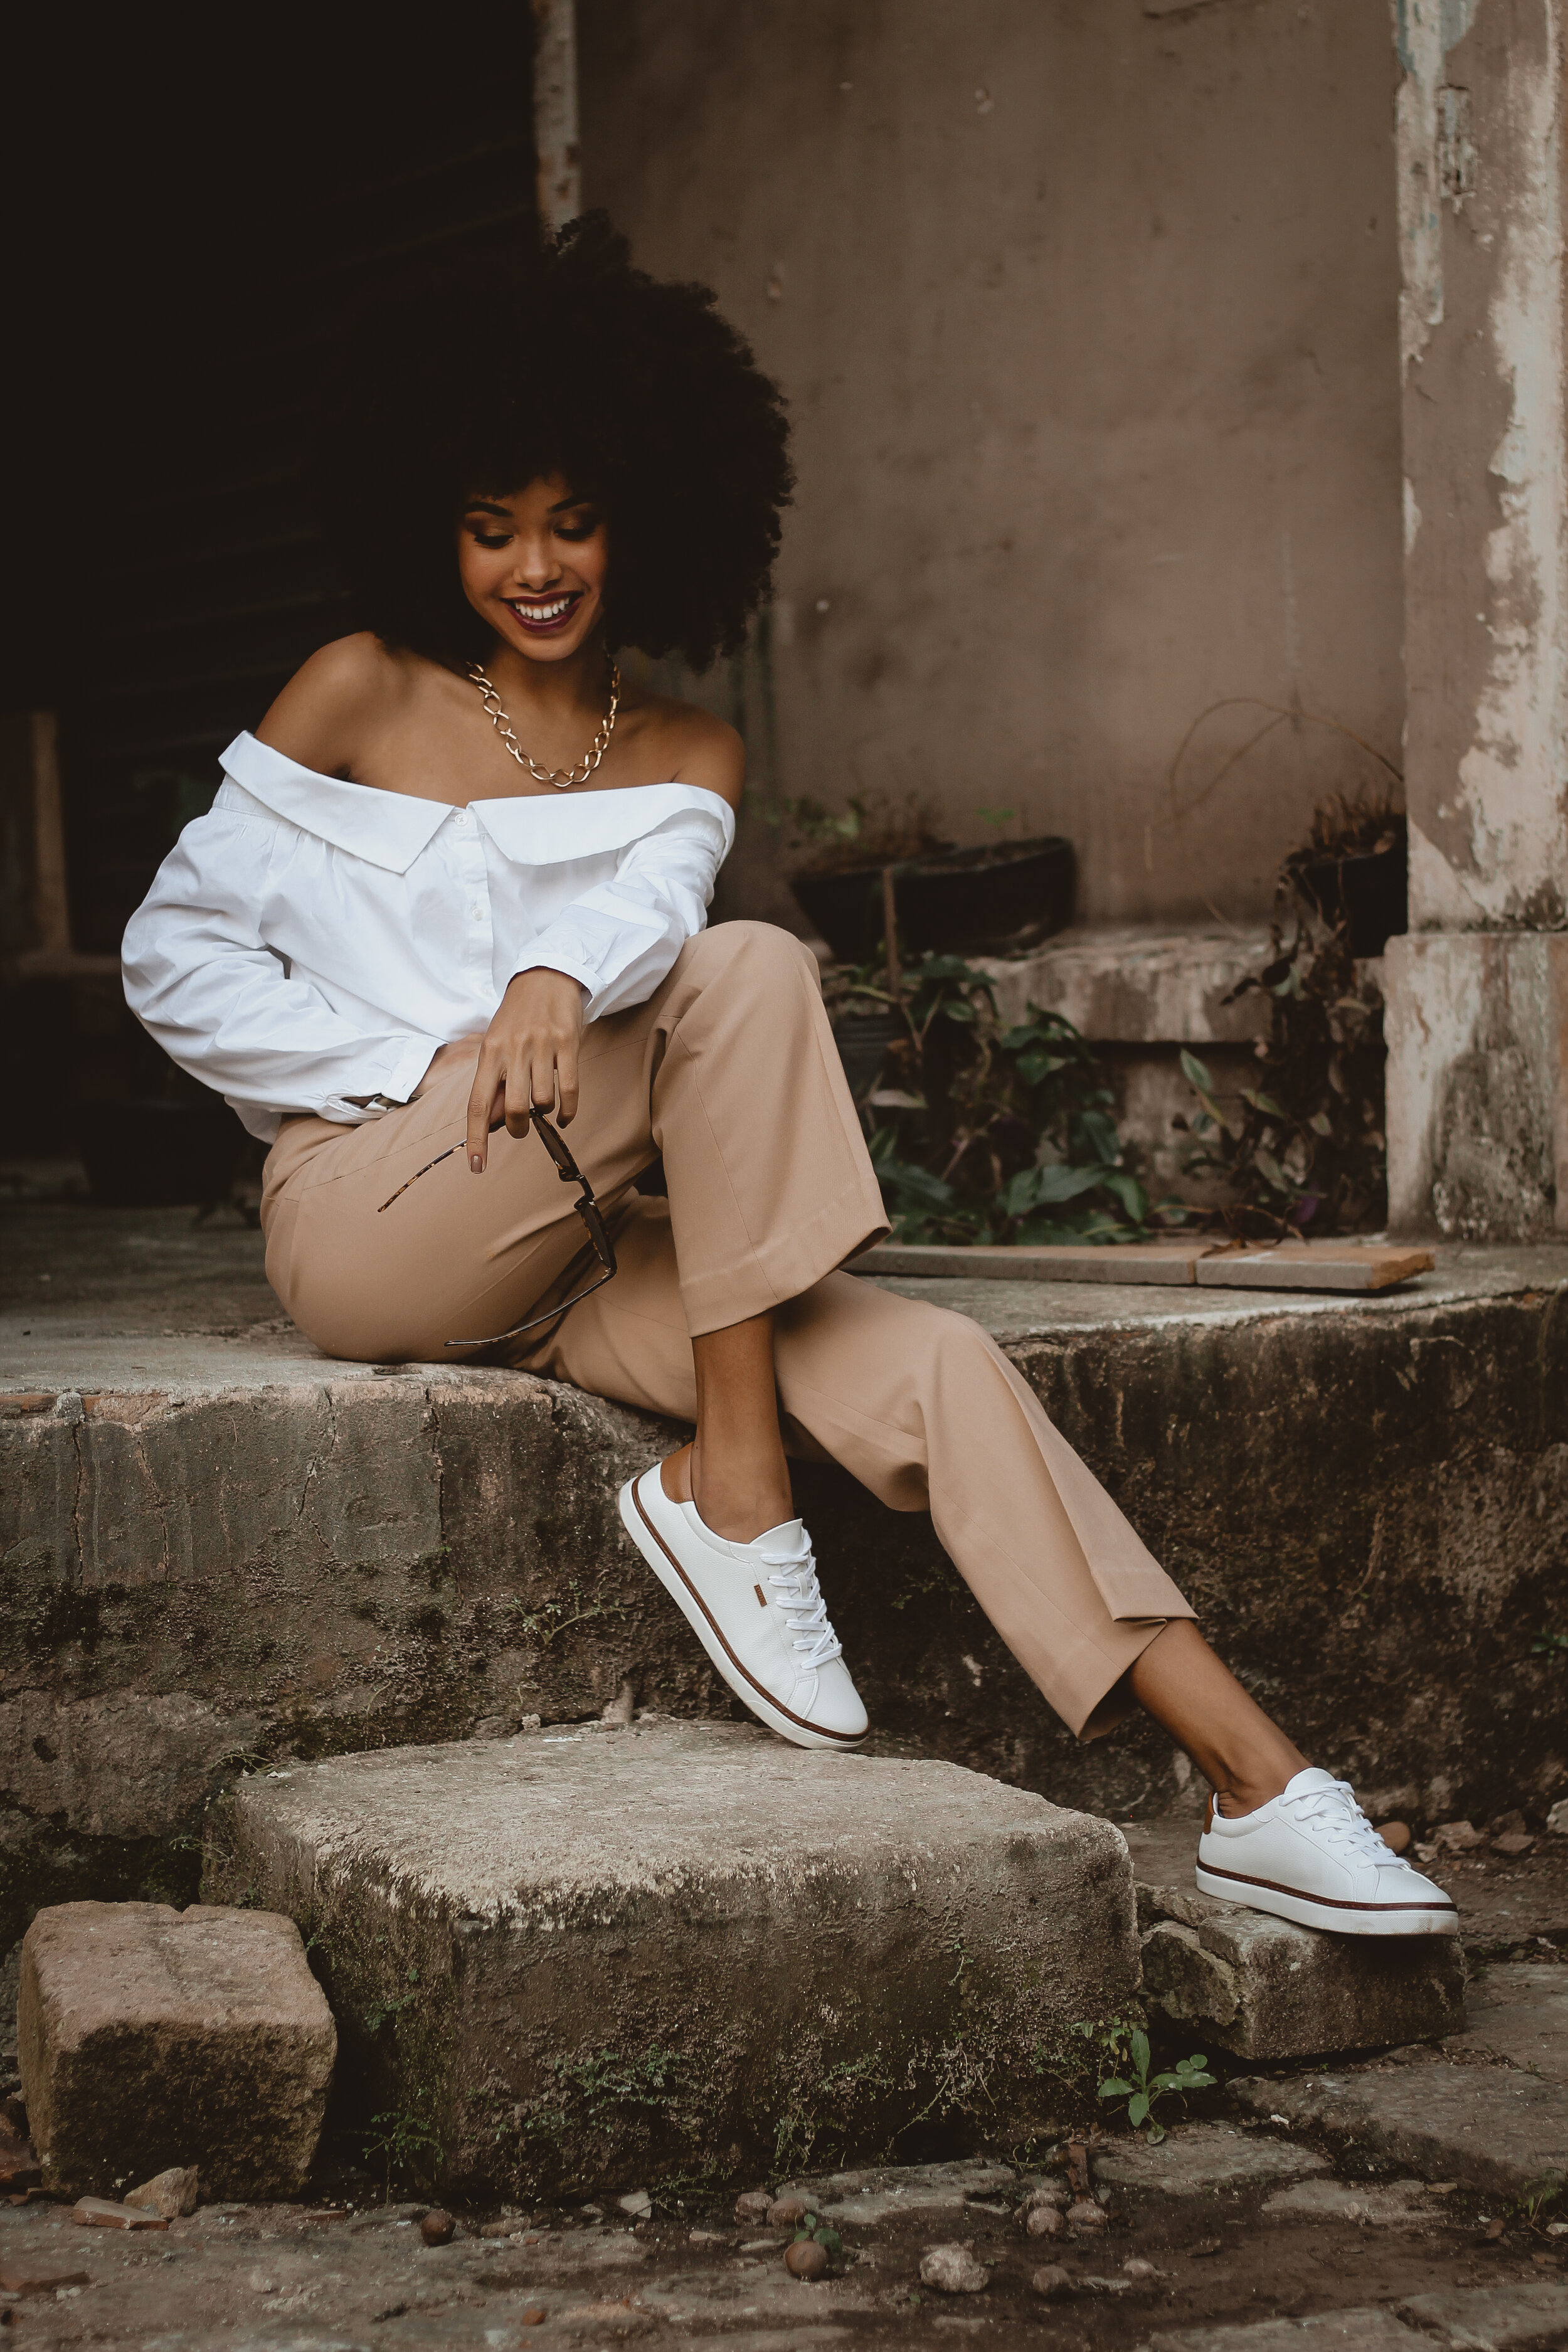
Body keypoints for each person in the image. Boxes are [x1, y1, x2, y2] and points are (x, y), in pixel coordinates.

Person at [122, 217, 1453, 1941]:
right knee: (753, 970)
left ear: (648, 519)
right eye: (489, 526)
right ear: (428, 527)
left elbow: (657, 915)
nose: (536, 565)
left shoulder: (686, 749)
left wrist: (549, 981)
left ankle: (1261, 1789)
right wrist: (423, 1063)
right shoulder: (359, 691)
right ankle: (734, 1488)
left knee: (941, 1363)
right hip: (376, 1217)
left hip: (597, 1249)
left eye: (574, 520)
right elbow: (174, 953)